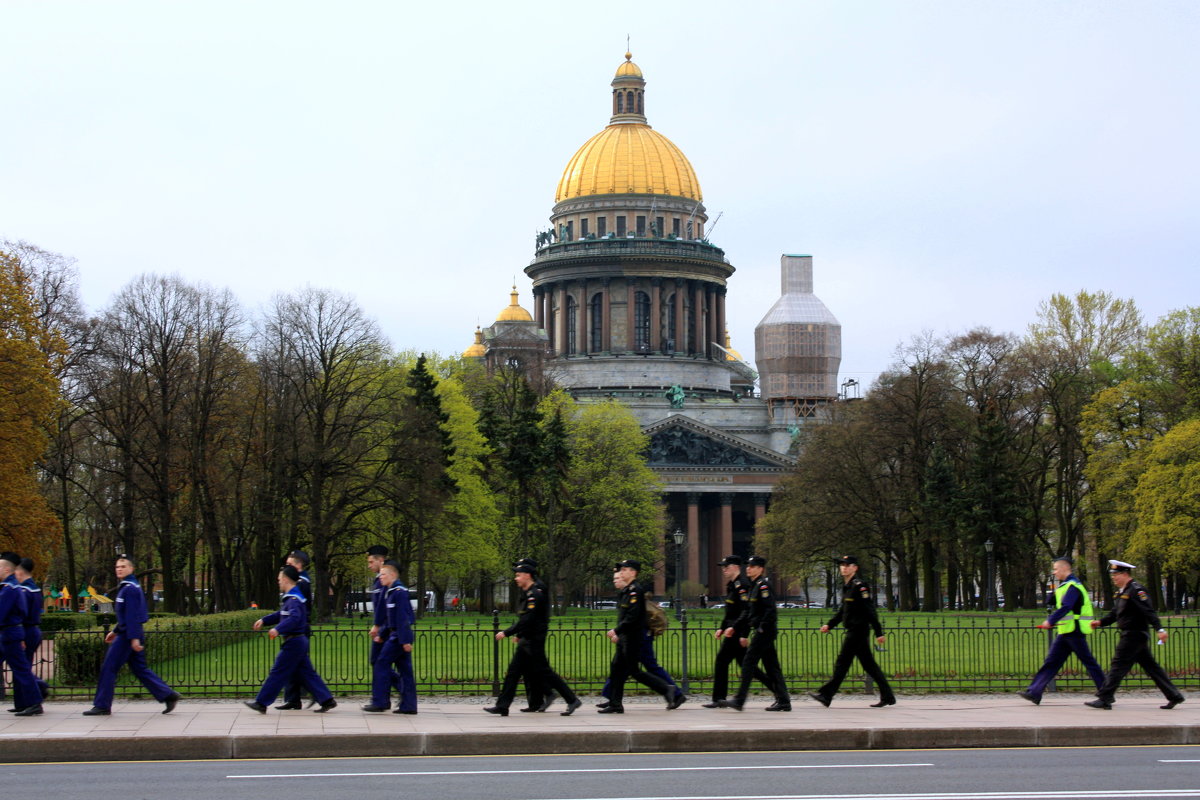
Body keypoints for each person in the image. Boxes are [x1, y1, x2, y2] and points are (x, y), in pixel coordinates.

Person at [82, 555, 181, 716]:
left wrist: (133, 638)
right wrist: (115, 631)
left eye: (123, 566)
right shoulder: (128, 587)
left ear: (131, 569)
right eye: (117, 567)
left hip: (128, 637)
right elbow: (126, 616)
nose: (119, 569)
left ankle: (102, 705)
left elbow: (133, 616)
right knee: (139, 668)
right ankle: (168, 695)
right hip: (128, 634)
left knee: (108, 668)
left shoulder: (130, 589)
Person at [1085, 560, 1185, 710]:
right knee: (1152, 668)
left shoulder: (1136, 590)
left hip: (1134, 635)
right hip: (1133, 636)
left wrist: (1160, 629)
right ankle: (1174, 696)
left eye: (1116, 575)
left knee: (1118, 665)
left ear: (1125, 574)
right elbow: (1115, 613)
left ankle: (1105, 697)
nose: (1113, 578)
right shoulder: (1122, 592)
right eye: (1112, 575)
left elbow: (1149, 611)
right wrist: (1100, 622)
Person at [485, 563, 581, 717]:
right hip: (527, 641)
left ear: (527, 575)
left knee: (546, 673)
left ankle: (571, 699)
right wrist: (520, 635)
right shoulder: (529, 593)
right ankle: (503, 705)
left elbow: (528, 620)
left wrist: (507, 632)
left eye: (518, 575)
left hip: (533, 642)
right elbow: (526, 619)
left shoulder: (535, 594)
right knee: (513, 673)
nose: (516, 578)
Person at [244, 564, 337, 713]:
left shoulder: (294, 599)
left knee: (278, 671)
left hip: (294, 642)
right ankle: (327, 700)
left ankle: (261, 702)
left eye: (280, 579)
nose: (278, 581)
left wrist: (277, 629)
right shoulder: (291, 598)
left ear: (286, 579)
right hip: (297, 641)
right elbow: (281, 615)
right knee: (306, 673)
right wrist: (264, 620)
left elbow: (294, 618)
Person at [1018, 555, 1105, 704]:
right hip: (1066, 631)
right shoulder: (1066, 586)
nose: (1054, 572)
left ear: (1065, 568)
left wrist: (1050, 620)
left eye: (1056, 569)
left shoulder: (1073, 586)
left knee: (1088, 662)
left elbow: (1066, 607)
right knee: (1051, 662)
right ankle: (1034, 692)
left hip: (1074, 631)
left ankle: (1106, 693)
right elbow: (1054, 601)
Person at [599, 559, 683, 714]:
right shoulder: (628, 590)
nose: (621, 572)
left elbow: (632, 617)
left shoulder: (635, 590)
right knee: (617, 669)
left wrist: (617, 630)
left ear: (633, 572)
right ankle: (615, 703)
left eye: (625, 570)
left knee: (635, 671)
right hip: (626, 637)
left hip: (633, 638)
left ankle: (666, 689)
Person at [811, 555, 895, 708]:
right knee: (869, 665)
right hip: (854, 630)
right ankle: (888, 695)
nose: (844, 567)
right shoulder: (848, 586)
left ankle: (826, 695)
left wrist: (878, 632)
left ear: (855, 568)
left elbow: (870, 610)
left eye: (848, 565)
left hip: (858, 631)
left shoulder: (859, 586)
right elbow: (844, 610)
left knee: (842, 663)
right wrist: (830, 625)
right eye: (842, 565)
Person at [720, 555, 791, 711]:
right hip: (762, 630)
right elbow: (748, 612)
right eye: (748, 566)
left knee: (748, 662)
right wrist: (735, 627)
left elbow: (770, 610)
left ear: (760, 569)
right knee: (772, 667)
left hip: (764, 631)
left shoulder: (763, 585)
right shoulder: (754, 586)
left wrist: (761, 627)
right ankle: (784, 700)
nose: (748, 569)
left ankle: (739, 700)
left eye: (752, 566)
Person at [703, 554, 770, 708]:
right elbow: (730, 612)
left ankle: (719, 698)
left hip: (736, 632)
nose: (724, 570)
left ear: (735, 567)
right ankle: (778, 690)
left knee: (722, 661)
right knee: (747, 666)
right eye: (723, 567)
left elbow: (747, 611)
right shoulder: (733, 584)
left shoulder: (742, 585)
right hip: (732, 630)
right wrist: (722, 627)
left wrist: (742, 633)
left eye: (726, 567)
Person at [363, 560, 417, 713]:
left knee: (381, 663)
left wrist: (406, 640)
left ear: (392, 575)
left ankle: (380, 701)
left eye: (383, 574)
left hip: (398, 637)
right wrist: (382, 634)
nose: (380, 577)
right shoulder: (391, 591)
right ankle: (409, 705)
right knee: (405, 671)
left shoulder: (398, 592)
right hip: (394, 634)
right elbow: (390, 618)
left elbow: (403, 618)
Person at [1, 553, 44, 716]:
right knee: (21, 668)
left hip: (11, 632)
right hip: (15, 631)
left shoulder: (11, 589)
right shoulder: (16, 587)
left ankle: (34, 700)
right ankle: (27, 702)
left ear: (8, 569)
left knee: (21, 669)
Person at [13, 558, 50, 710]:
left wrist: (20, 635)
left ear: (20, 571)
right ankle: (22, 702)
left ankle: (36, 692)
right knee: (21, 666)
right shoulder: (34, 589)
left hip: (25, 631)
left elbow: (21, 614)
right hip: (32, 630)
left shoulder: (24, 591)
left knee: (22, 667)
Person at [278, 549, 312, 709]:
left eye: (290, 564)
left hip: (298, 630)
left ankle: (316, 694)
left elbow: (297, 610)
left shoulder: (300, 583)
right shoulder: (300, 581)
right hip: (296, 629)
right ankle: (293, 698)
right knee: (298, 666)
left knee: (297, 666)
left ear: (299, 565)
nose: (286, 567)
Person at [366, 545, 401, 697]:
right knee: (379, 662)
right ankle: (386, 696)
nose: (369, 566)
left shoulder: (384, 580)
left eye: (371, 562)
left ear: (381, 560)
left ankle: (396, 692)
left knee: (379, 662)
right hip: (383, 626)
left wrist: (379, 625)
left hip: (386, 627)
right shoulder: (379, 580)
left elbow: (383, 606)